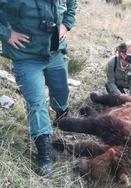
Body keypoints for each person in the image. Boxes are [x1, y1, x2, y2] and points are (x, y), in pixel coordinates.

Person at [0, 0, 77, 175]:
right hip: (26, 56)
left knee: (61, 92)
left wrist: (66, 24)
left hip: (55, 53)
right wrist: (7, 34)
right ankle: (44, 149)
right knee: (36, 103)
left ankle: (61, 115)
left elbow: (72, 3)